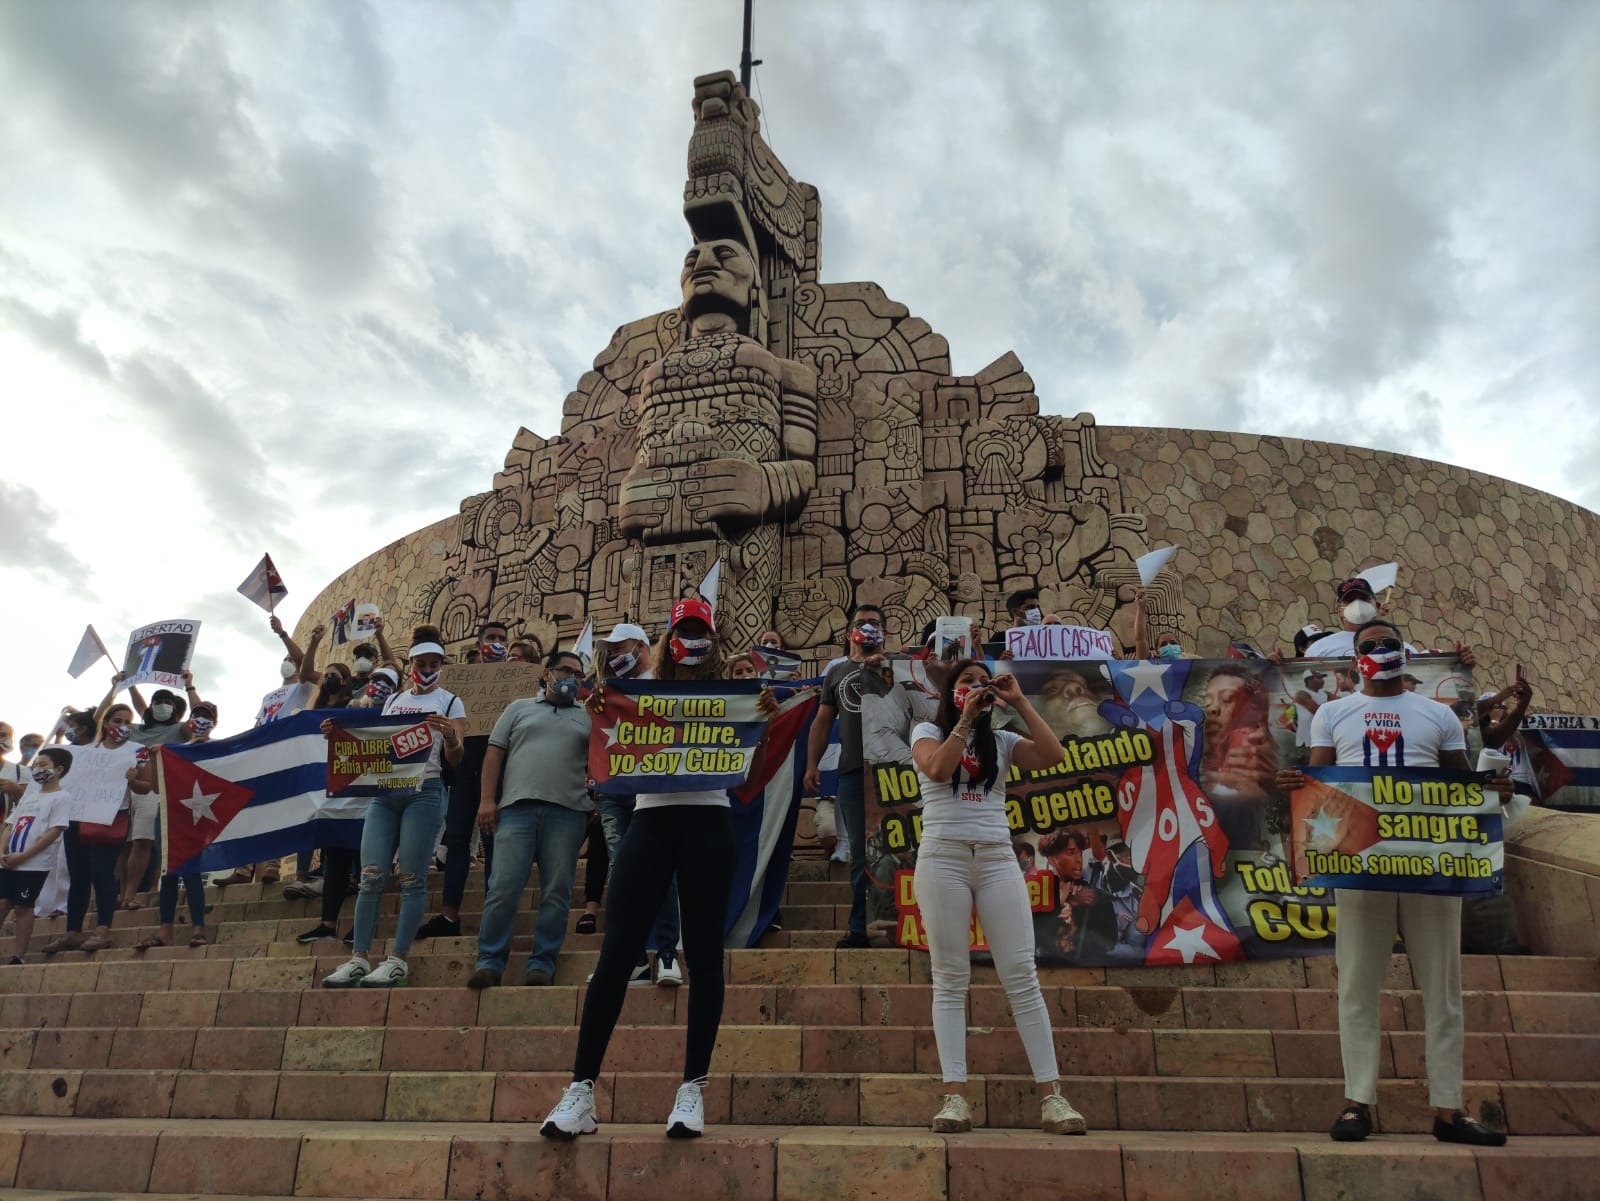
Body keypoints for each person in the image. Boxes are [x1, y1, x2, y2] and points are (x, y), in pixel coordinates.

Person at [541, 598, 781, 1140]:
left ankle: (692, 1088)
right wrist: (600, 709)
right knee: (617, 953)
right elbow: (610, 755)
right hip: (650, 821)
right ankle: (580, 1089)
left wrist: (761, 724)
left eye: (700, 631)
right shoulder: (643, 690)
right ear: (668, 638)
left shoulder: (730, 697)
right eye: (683, 631)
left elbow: (747, 781)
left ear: (713, 639)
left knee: (703, 956)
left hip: (710, 821)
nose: (691, 640)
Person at [1277, 618, 1509, 1147]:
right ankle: (1357, 1102)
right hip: (1362, 864)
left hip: (1430, 863)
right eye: (1369, 645)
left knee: (1443, 990)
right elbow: (1320, 784)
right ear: (1353, 658)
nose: (1380, 650)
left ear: (1405, 652)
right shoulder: (1333, 714)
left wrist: (1490, 787)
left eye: (1388, 644)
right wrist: (1290, 786)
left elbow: (1459, 783)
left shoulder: (1438, 715)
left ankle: (1449, 1108)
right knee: (1357, 985)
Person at [907, 659, 1087, 1135]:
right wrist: (965, 718)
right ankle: (955, 1097)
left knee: (1021, 975)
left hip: (996, 858)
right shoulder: (927, 729)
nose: (975, 686)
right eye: (965, 681)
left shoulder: (1003, 741)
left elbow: (1053, 757)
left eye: (981, 680)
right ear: (949, 693)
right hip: (943, 855)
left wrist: (1019, 701)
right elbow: (939, 769)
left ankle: (1053, 1098)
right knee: (949, 976)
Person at [321, 627, 465, 988]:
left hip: (426, 789)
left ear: (441, 665)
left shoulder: (451, 701)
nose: (428, 668)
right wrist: (337, 736)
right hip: (386, 793)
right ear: (411, 663)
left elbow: (457, 757)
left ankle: (398, 958)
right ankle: (358, 958)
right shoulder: (393, 701)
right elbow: (375, 745)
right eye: (422, 662)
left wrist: (449, 736)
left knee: (412, 878)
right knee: (371, 876)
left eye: (434, 663)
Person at [467, 650, 593, 988]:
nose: (570, 678)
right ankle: (490, 960)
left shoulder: (588, 716)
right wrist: (487, 800)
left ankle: (543, 962)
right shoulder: (518, 709)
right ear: (545, 673)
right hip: (515, 810)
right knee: (503, 888)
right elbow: (494, 753)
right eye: (564, 670)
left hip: (567, 813)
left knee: (557, 890)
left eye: (577, 674)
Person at [586, 622, 684, 987]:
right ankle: (634, 959)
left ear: (641, 645)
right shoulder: (608, 689)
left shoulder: (664, 682)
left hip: (654, 788)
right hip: (615, 789)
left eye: (619, 648)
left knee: (660, 872)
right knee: (624, 874)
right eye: (609, 651)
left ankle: (668, 953)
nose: (613, 656)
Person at [803, 603, 892, 949]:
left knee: (900, 848)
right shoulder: (837, 673)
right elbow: (822, 722)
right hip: (854, 772)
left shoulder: (898, 666)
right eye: (861, 623)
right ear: (848, 633)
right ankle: (860, 928)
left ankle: (906, 922)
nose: (867, 627)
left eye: (874, 623)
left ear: (884, 631)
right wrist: (812, 765)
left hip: (894, 772)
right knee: (860, 853)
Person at [43, 705, 145, 954]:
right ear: (105, 722)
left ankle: (103, 929)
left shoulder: (136, 751)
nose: (121, 726)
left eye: (126, 722)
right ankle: (73, 931)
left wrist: (133, 779)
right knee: (78, 876)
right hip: (77, 818)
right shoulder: (83, 752)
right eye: (116, 720)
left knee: (102, 873)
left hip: (109, 817)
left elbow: (147, 787)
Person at [132, 703, 216, 951]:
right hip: (169, 812)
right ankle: (164, 930)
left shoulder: (216, 749)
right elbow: (157, 788)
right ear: (189, 720)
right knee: (168, 872)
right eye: (197, 715)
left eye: (207, 717)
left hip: (197, 813)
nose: (201, 720)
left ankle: (198, 928)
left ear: (214, 722)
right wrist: (157, 759)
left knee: (191, 871)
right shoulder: (174, 750)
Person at [0, 747, 73, 963]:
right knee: (3, 903)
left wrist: (24, 856)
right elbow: (9, 825)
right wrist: (2, 851)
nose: (37, 770)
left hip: (34, 864)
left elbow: (54, 831)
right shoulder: (29, 796)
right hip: (8, 861)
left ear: (58, 769)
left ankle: (19, 955)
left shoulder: (61, 797)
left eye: (43, 765)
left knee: (23, 906)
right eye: (36, 766)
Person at [1037, 829, 1118, 961]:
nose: (1078, 860)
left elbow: (1109, 940)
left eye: (1080, 854)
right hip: (1049, 967)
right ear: (1052, 860)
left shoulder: (1093, 893)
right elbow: (1035, 935)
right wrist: (1070, 902)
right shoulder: (1040, 891)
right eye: (1071, 853)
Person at [1291, 668, 1333, 749]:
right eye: (1318, 678)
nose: (1322, 680)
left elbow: (1341, 702)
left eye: (1322, 678)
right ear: (1308, 680)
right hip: (1306, 738)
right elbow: (1318, 711)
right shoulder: (1301, 694)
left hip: (1320, 736)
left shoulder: (1325, 693)